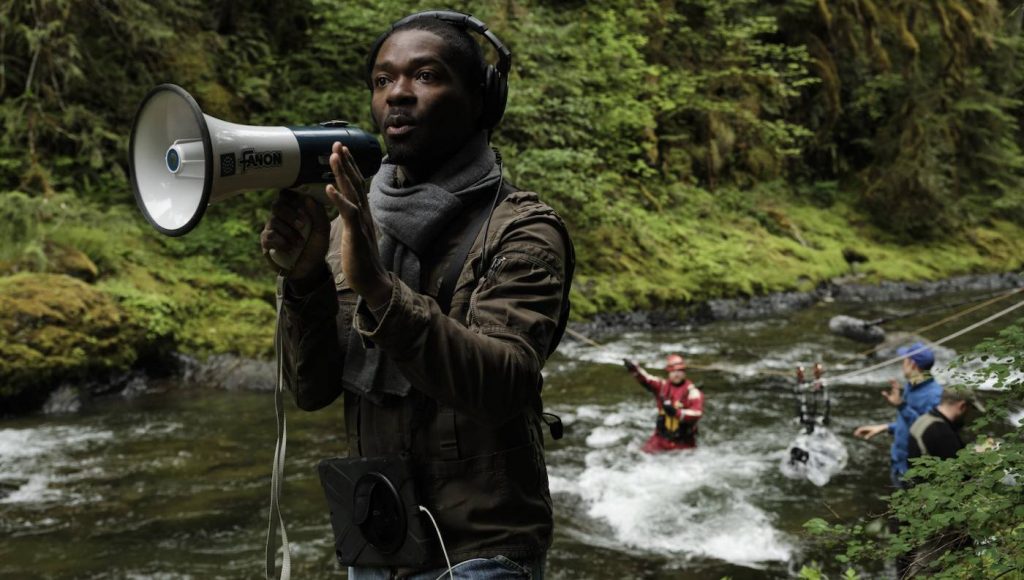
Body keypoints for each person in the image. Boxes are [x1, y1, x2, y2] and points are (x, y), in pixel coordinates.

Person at [259, 11, 572, 579]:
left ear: (481, 99)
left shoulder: (522, 231)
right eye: (383, 80)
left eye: (425, 76)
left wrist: (378, 287)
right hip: (379, 545)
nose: (398, 94)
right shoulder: (351, 225)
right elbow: (310, 390)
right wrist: (306, 281)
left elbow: (502, 384)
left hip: (483, 552)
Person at [853, 341, 943, 487]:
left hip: (913, 470)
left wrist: (901, 405)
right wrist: (885, 427)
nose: (902, 364)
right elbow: (909, 423)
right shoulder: (911, 385)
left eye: (904, 360)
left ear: (912, 364)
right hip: (898, 463)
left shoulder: (934, 395)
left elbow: (927, 432)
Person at [624, 354, 705, 453]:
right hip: (660, 439)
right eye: (673, 371)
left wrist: (676, 412)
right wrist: (634, 368)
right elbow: (646, 379)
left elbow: (697, 413)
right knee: (639, 456)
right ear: (668, 372)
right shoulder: (662, 386)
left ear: (684, 372)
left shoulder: (692, 392)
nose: (676, 374)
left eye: (679, 371)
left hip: (683, 442)